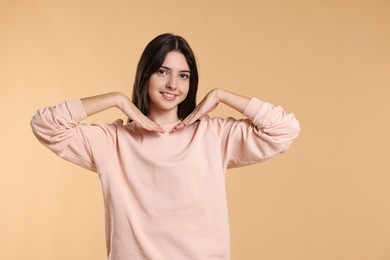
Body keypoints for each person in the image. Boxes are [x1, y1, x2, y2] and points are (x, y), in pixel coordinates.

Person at [31, 33, 300, 260]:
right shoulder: (113, 140)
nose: (173, 84)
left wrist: (222, 95)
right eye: (162, 72)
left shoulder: (213, 134)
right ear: (145, 75)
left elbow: (284, 130)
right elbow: (46, 125)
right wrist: (115, 99)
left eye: (184, 76)